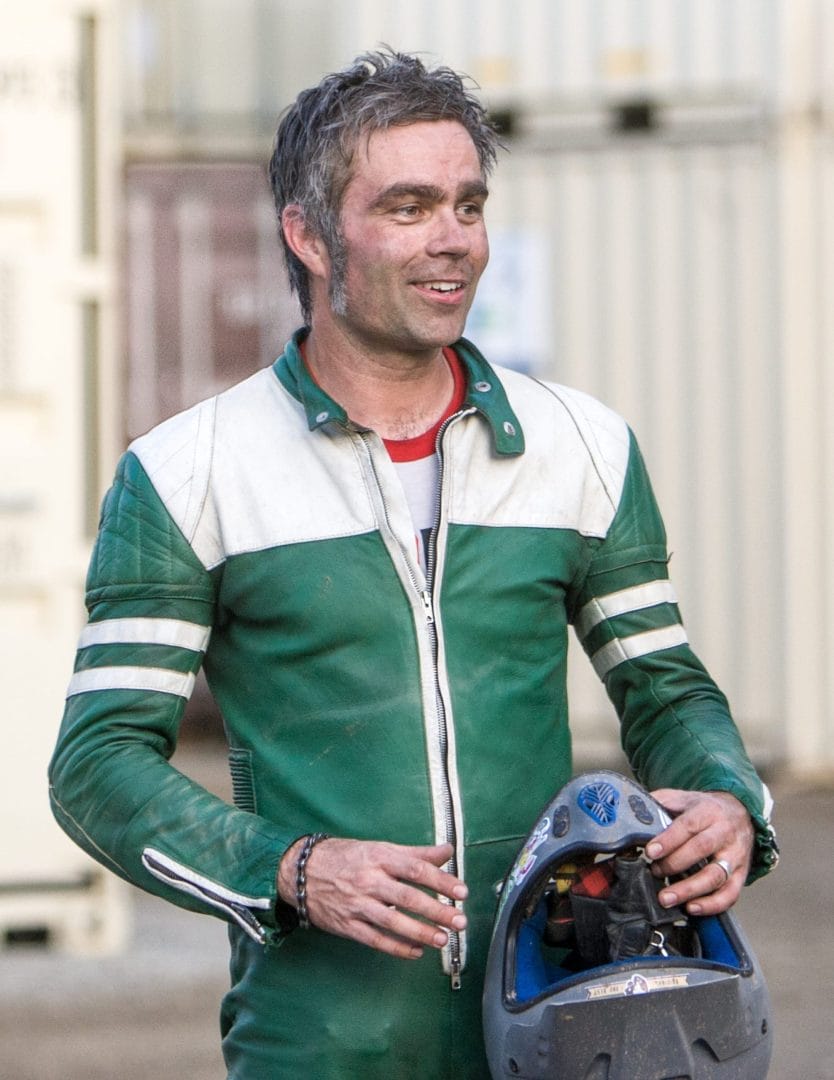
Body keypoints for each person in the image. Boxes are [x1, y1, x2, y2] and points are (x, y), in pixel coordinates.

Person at [49, 49, 778, 1079]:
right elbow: (96, 767)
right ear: (308, 234)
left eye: (468, 206)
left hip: (569, 1025)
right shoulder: (186, 474)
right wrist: (295, 869)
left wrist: (723, 797)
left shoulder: (584, 446)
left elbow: (664, 688)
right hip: (323, 1044)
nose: (452, 244)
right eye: (407, 207)